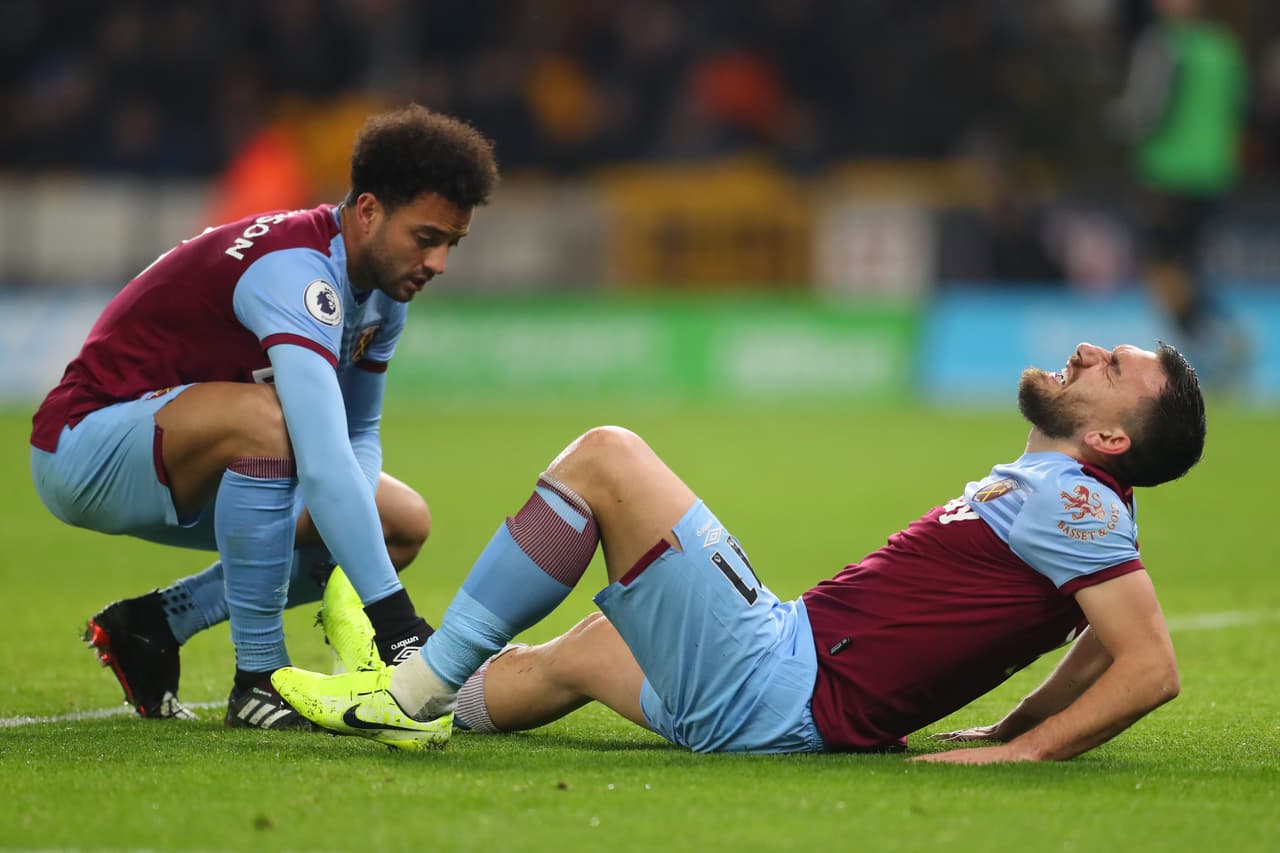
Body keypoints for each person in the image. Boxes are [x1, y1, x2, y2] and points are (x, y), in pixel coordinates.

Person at [272, 340, 1206, 761]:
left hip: (785, 684)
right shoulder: (1069, 498)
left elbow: (1148, 661)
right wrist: (1012, 722)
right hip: (793, 670)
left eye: (1115, 368)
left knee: (608, 458)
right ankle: (418, 703)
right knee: (581, 657)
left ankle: (413, 683)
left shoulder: (1079, 501)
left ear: (1114, 441)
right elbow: (1100, 631)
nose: (1089, 350)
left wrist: (1026, 753)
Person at [29, 105, 500, 728]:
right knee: (274, 425)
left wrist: (355, 562)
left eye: (452, 244)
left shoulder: (384, 295)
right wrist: (399, 627)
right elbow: (321, 452)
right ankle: (259, 677)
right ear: (368, 211)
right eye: (426, 238)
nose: (439, 263)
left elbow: (358, 434)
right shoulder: (294, 271)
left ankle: (154, 623)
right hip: (83, 446)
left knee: (399, 522)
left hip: (187, 453)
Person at [1108, 0, 1249, 388]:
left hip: (1166, 172)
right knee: (1186, 265)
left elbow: (1145, 112)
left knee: (1160, 266)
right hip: (1216, 172)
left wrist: (1114, 122)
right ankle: (1217, 340)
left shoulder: (1163, 45)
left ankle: (1213, 341)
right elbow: (1240, 109)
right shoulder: (1225, 47)